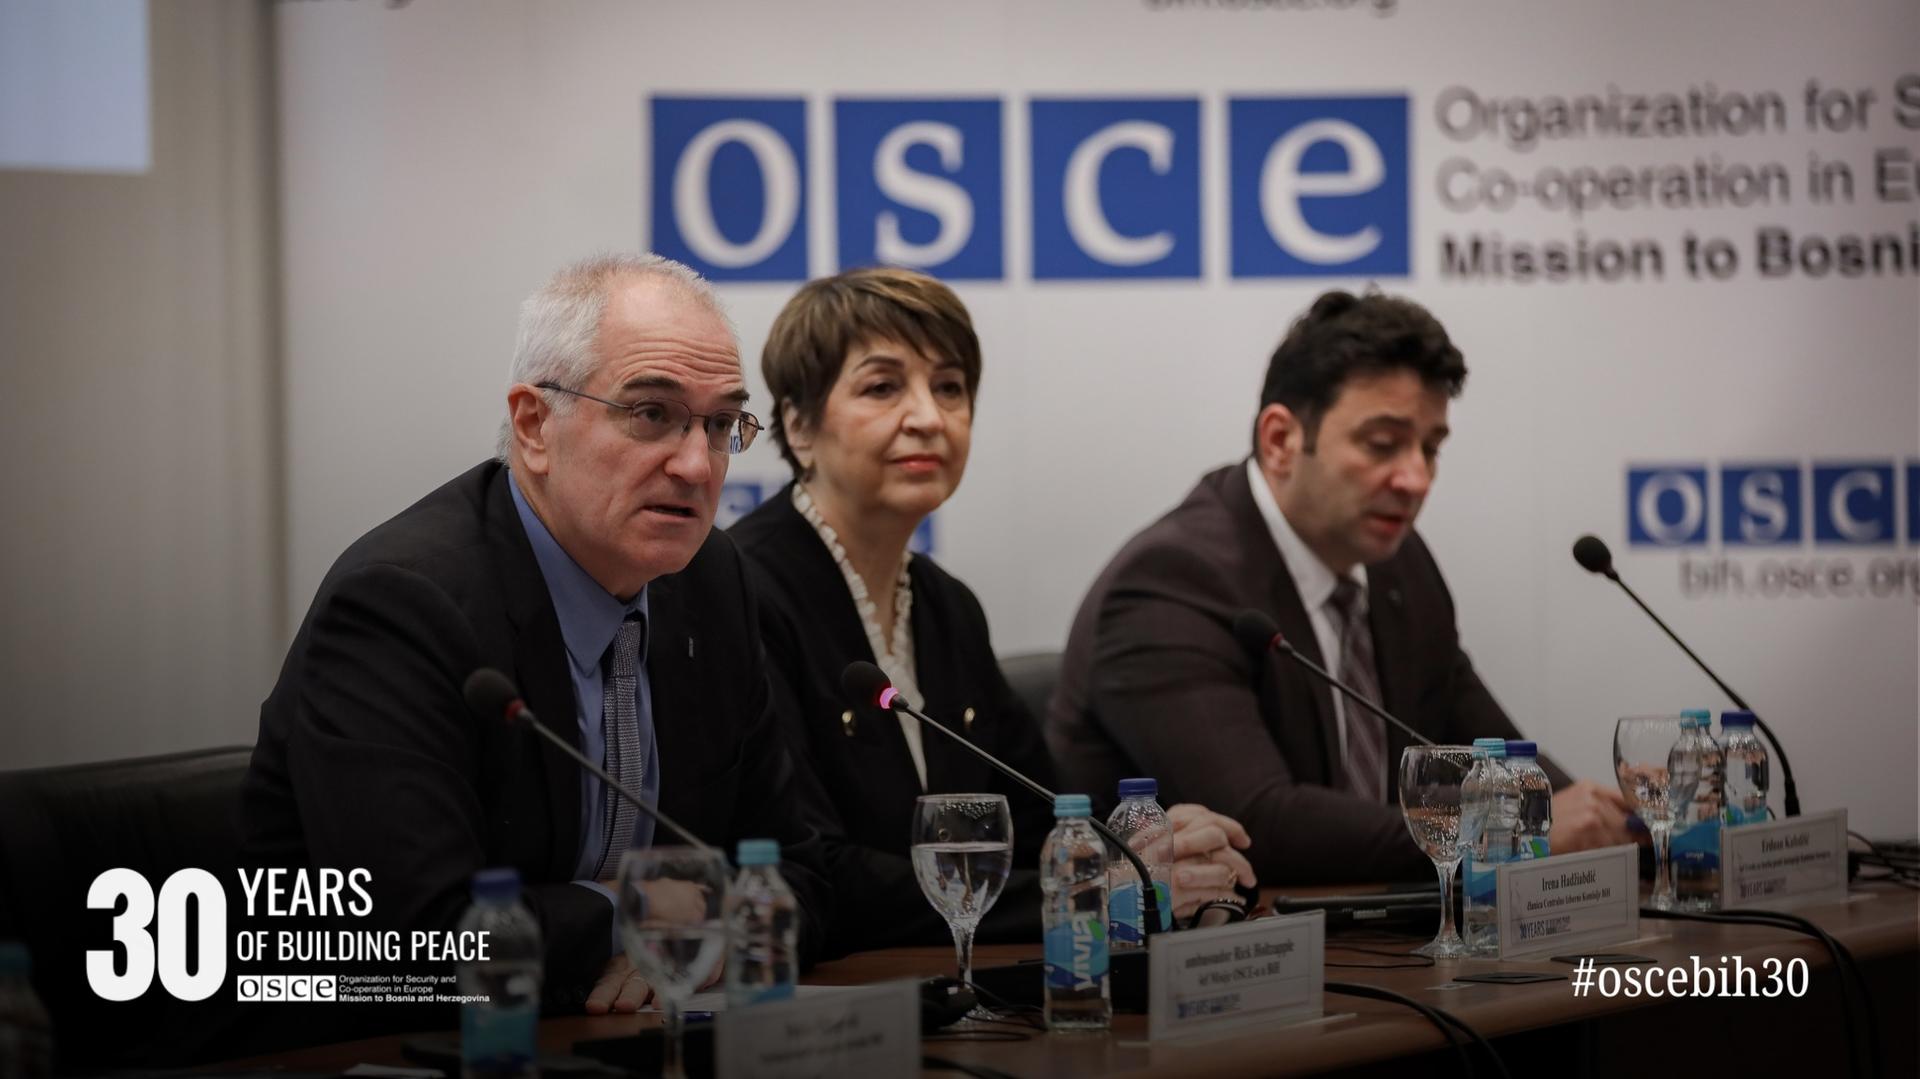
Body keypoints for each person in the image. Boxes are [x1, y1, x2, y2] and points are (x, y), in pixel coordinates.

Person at [240, 254, 832, 1033]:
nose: (697, 464)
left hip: (614, 1034)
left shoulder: (710, 577)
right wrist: (646, 915)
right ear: (533, 425)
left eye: (721, 425)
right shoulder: (403, 605)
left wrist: (718, 929)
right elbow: (413, 943)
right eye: (652, 413)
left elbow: (802, 869)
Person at [731, 267, 1255, 954]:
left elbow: (1039, 824)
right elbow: (819, 875)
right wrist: (1108, 891)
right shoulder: (745, 591)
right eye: (884, 386)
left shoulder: (948, 607)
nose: (928, 416)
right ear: (799, 426)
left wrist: (1147, 852)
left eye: (949, 387)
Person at [1047, 289, 1636, 885]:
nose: (1415, 479)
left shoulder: (1397, 563)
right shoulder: (1171, 583)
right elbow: (1260, 822)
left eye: (1431, 449)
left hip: (1373, 943)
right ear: (1280, 441)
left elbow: (1492, 753)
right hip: (1181, 960)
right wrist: (1513, 831)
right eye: (1382, 445)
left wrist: (1622, 822)